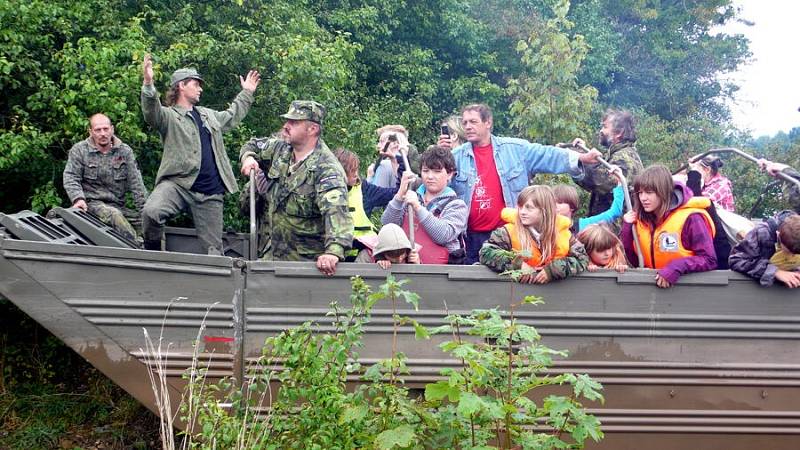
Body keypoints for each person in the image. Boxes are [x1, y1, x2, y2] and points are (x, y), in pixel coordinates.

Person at [437, 103, 601, 264]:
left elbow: (547, 154)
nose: (468, 127)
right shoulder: (455, 156)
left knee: (515, 282)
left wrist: (580, 158)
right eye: (465, 122)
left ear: (488, 122)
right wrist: (439, 156)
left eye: (473, 122)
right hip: (470, 238)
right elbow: (436, 189)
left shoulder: (516, 149)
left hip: (511, 235)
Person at [140, 54, 260, 253]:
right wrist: (148, 83)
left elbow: (231, 117)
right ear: (181, 85)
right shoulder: (169, 116)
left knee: (214, 251)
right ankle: (152, 255)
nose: (200, 88)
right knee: (151, 213)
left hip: (210, 191)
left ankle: (218, 282)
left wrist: (246, 92)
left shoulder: (207, 114)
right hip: (178, 184)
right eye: (196, 84)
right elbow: (151, 112)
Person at [239, 101, 353, 276]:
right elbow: (253, 145)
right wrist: (248, 158)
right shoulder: (280, 149)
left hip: (303, 267)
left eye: (294, 122)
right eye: (287, 121)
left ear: (312, 129)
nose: (286, 126)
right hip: (270, 258)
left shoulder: (327, 169)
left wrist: (332, 252)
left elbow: (337, 214)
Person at [621, 165, 717, 288]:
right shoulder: (641, 220)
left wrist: (677, 267)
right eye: (640, 193)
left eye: (649, 192)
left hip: (688, 290)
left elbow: (710, 260)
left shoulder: (692, 218)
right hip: (652, 290)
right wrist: (627, 229)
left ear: (664, 191)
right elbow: (634, 262)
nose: (643, 198)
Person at [63, 113, 147, 242]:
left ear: (112, 129)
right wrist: (78, 199)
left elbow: (136, 183)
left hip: (118, 205)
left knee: (151, 223)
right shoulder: (80, 150)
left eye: (106, 129)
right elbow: (71, 177)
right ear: (90, 131)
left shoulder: (124, 152)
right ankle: (139, 251)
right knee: (114, 215)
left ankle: (162, 257)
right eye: (98, 130)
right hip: (91, 205)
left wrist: (146, 211)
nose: (103, 133)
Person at [479, 185, 588, 283]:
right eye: (520, 207)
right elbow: (485, 252)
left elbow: (582, 258)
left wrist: (553, 270)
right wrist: (518, 265)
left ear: (545, 211)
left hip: (554, 295)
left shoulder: (564, 234)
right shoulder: (507, 232)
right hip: (516, 294)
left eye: (528, 208)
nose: (522, 212)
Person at [382, 146, 467, 264]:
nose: (430, 176)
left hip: (441, 276)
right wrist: (400, 195)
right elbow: (388, 225)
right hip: (405, 267)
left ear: (449, 174)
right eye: (426, 171)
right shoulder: (410, 195)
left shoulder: (457, 205)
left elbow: (443, 235)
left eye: (437, 171)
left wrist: (417, 208)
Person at [333, 148, 403, 260]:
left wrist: (396, 160)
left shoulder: (364, 190)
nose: (356, 174)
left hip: (362, 257)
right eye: (352, 171)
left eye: (356, 169)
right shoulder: (322, 192)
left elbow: (396, 193)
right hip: (332, 257)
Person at [572, 108, 644, 219]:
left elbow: (600, 182)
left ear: (619, 133)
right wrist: (582, 152)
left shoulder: (625, 158)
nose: (601, 130)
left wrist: (575, 157)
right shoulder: (616, 154)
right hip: (608, 226)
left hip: (615, 230)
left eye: (605, 127)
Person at [729, 211, 800, 288]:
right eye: (788, 251)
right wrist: (775, 272)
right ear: (778, 235)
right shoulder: (762, 233)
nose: (792, 256)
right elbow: (736, 260)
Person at [553, 166, 624, 232]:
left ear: (572, 206)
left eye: (560, 202)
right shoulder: (547, 227)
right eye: (553, 202)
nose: (555, 206)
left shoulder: (584, 225)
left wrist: (620, 182)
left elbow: (615, 212)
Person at [354, 223, 420, 269]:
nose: (399, 259)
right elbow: (355, 279)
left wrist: (417, 265)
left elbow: (421, 283)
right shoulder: (366, 255)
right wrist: (377, 267)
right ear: (383, 252)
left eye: (402, 254)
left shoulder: (411, 254)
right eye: (394, 256)